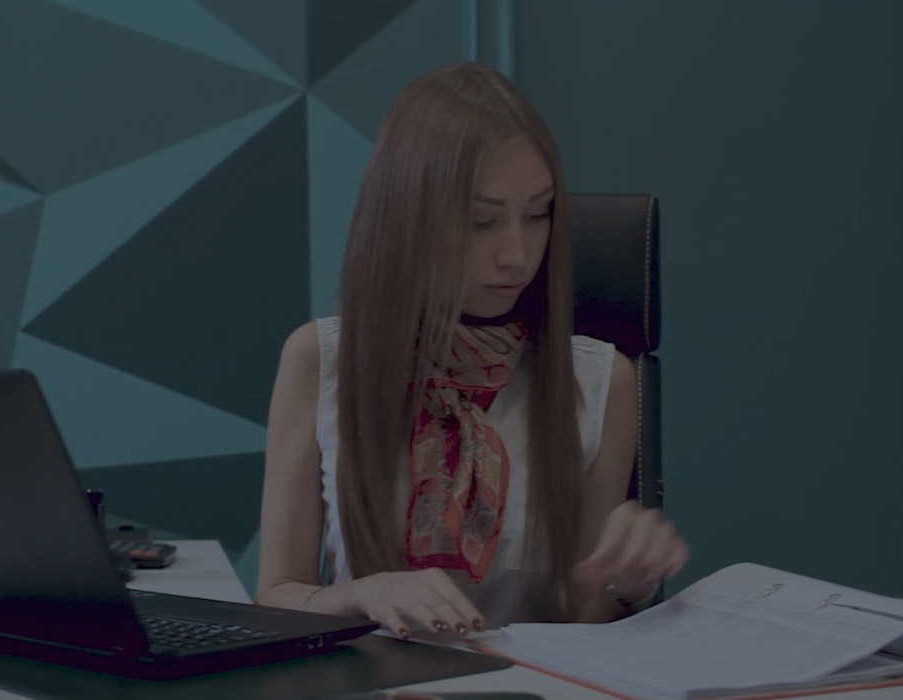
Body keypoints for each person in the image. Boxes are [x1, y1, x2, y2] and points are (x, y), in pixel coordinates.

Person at [255, 63, 688, 638]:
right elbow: (278, 593)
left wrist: (625, 581)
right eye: (482, 222)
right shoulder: (320, 359)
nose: (517, 254)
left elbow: (587, 618)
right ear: (406, 219)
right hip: (369, 677)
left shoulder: (601, 380)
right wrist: (363, 592)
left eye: (538, 214)